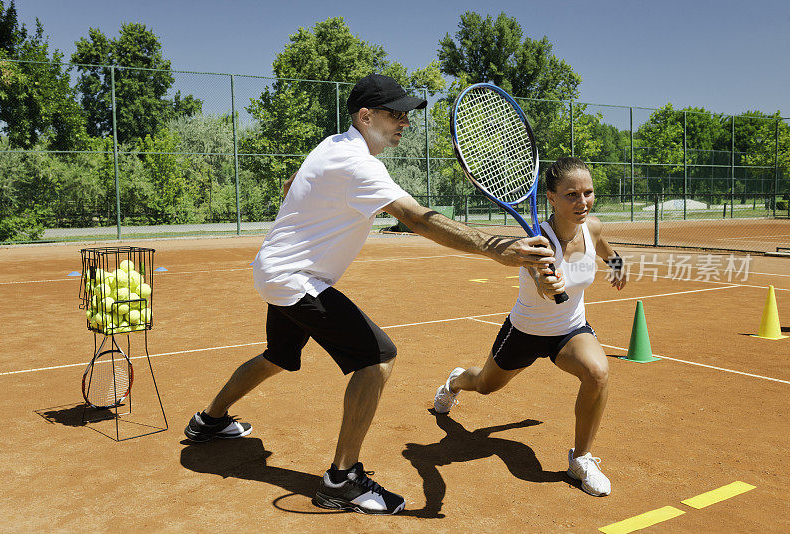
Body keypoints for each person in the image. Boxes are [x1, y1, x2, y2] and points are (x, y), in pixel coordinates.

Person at [184, 73, 562, 515]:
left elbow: (292, 185)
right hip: (295, 277)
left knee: (277, 356)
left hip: (279, 270)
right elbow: (416, 218)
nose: (404, 121)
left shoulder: (333, 145)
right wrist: (497, 248)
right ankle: (341, 480)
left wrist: (304, 204)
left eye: (406, 114)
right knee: (376, 358)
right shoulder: (358, 165)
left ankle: (208, 422)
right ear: (365, 116)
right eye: (394, 113)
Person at [432, 156, 627, 497]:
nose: (582, 202)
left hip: (570, 331)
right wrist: (549, 285)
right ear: (551, 198)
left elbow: (605, 249)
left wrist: (617, 264)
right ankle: (455, 380)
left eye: (588, 193)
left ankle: (581, 458)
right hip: (523, 332)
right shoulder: (537, 243)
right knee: (485, 385)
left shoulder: (591, 227)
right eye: (571, 195)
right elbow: (542, 285)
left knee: (598, 373)